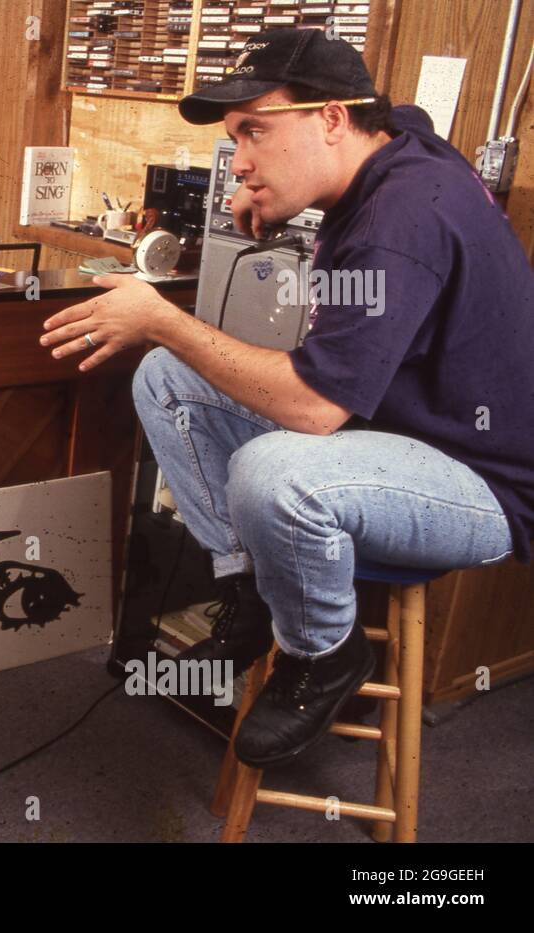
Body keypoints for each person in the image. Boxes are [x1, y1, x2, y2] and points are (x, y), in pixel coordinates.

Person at [41, 28, 533, 767]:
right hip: (396, 434)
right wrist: (276, 194)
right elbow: (410, 117)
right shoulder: (395, 146)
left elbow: (314, 410)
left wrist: (162, 317)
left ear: (333, 118)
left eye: (255, 133)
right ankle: (251, 591)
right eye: (238, 139)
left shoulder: (403, 216)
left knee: (274, 469)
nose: (240, 162)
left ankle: (321, 655)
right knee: (166, 380)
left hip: (480, 483)